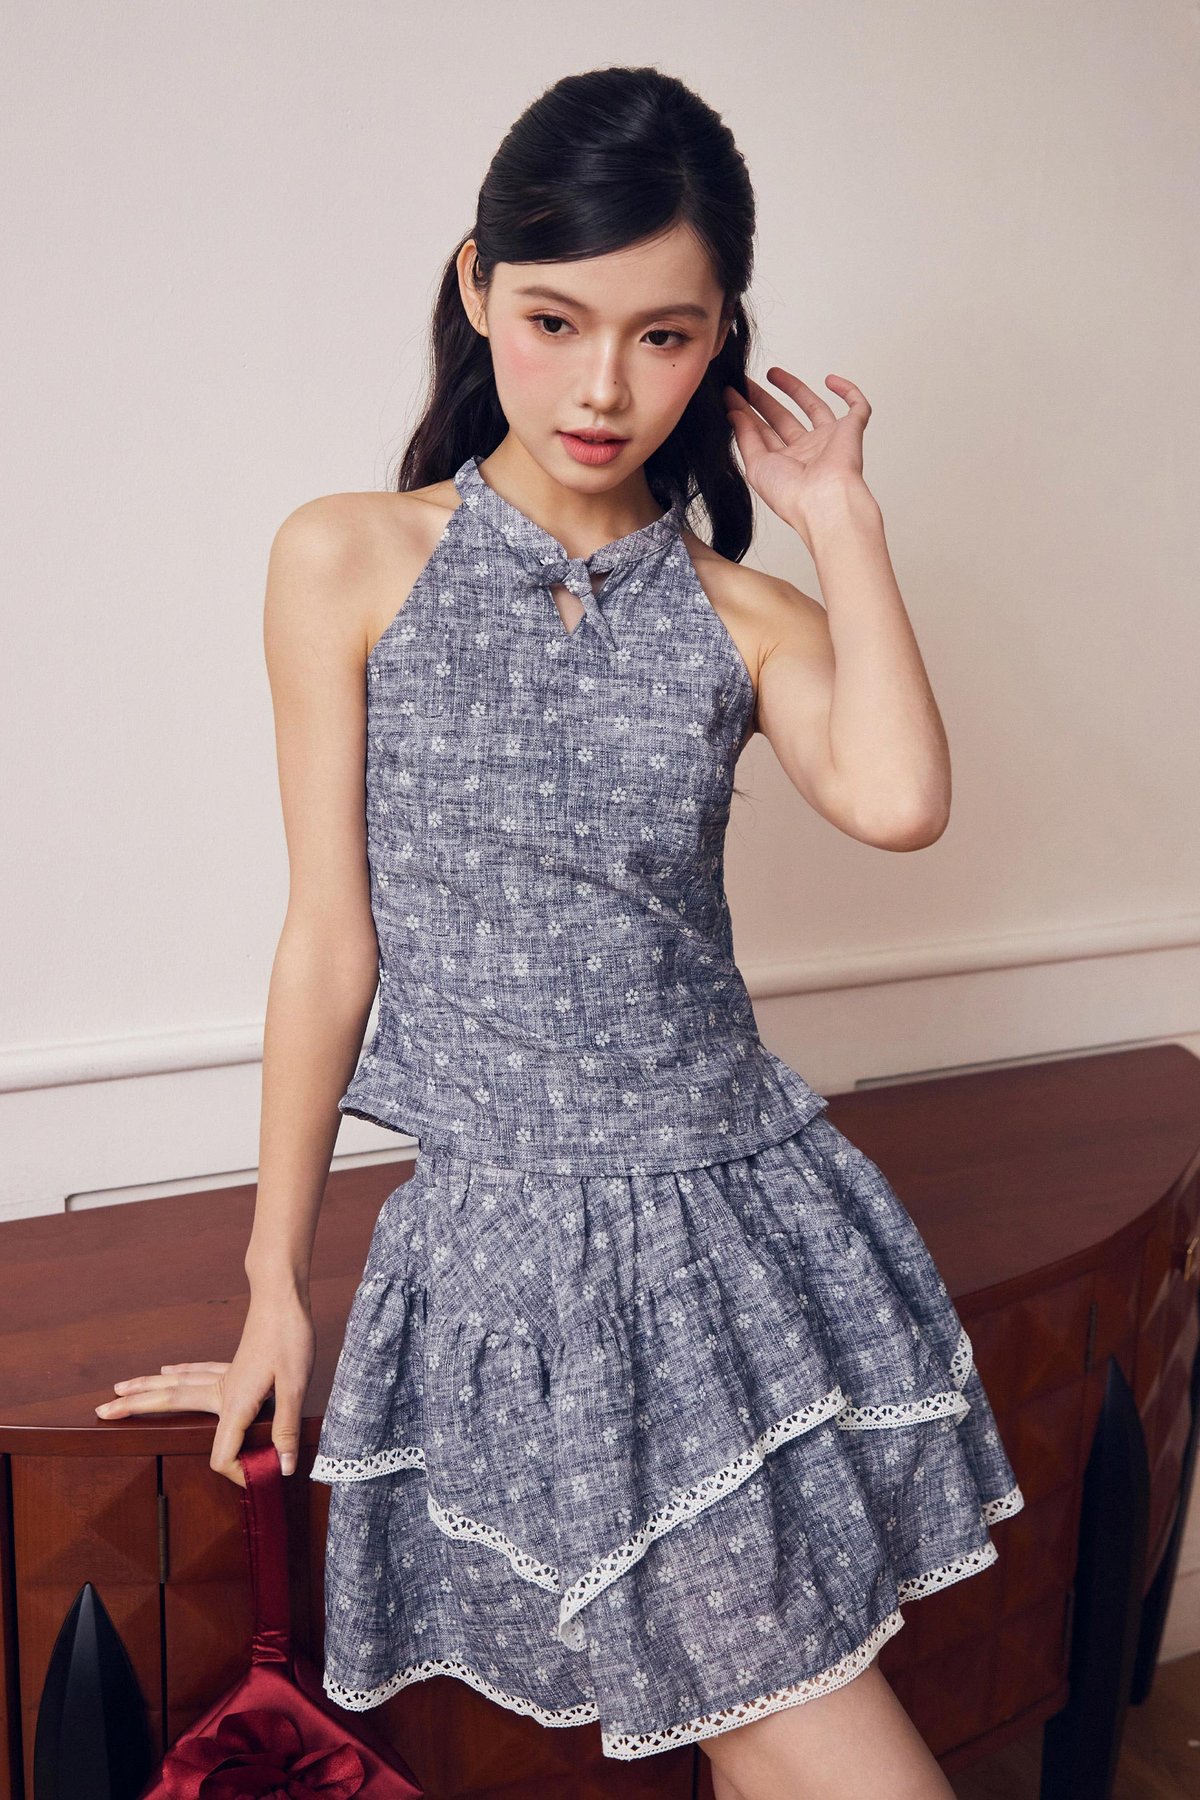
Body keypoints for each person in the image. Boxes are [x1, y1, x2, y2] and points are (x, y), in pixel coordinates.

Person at [97, 64, 1024, 1800]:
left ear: (724, 341)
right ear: (477, 288)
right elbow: (330, 943)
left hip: (745, 1229)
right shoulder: (348, 558)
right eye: (556, 320)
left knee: (773, 1732)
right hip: (518, 1263)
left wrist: (842, 519)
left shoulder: (744, 614)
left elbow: (901, 800)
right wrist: (274, 1282)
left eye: (665, 336)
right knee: (777, 1725)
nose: (604, 386)